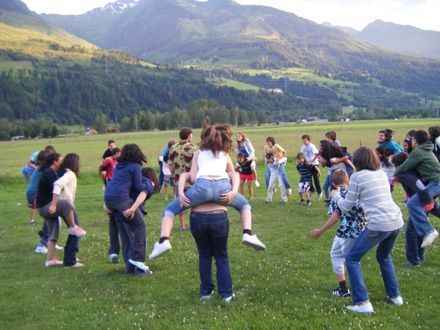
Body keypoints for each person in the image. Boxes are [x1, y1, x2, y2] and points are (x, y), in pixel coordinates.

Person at [149, 124, 266, 260]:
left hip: (202, 187)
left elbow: (189, 176)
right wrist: (233, 191)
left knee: (169, 211)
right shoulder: (224, 154)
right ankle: (247, 233)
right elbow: (234, 174)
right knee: (245, 206)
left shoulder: (198, 152)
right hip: (223, 188)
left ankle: (164, 240)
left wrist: (181, 193)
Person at [332, 147, 404, 314]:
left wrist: (336, 195)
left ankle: (362, 303)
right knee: (384, 257)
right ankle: (395, 297)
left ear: (357, 162)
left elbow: (346, 207)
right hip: (396, 221)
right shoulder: (381, 173)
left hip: (378, 224)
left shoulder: (357, 177)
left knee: (351, 259)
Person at [310, 169, 367, 298]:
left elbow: (335, 216)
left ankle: (345, 290)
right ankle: (352, 287)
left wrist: (320, 231)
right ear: (348, 180)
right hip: (362, 231)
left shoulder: (336, 194)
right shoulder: (355, 191)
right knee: (351, 258)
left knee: (339, 257)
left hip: (346, 232)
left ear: (333, 183)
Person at [104, 144, 152, 276]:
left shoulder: (118, 165)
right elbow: (137, 186)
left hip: (108, 198)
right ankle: (139, 259)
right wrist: (148, 185)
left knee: (120, 228)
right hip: (121, 199)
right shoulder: (135, 167)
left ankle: (126, 264)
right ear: (137, 154)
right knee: (140, 225)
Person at [37, 153, 85, 267]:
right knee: (75, 227)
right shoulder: (56, 173)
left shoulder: (55, 173)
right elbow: (57, 185)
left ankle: (50, 260)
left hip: (45, 208)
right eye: (60, 160)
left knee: (53, 234)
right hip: (48, 207)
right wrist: (54, 205)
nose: (62, 163)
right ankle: (70, 259)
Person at [394, 130, 440, 249]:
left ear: (416, 141)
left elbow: (404, 166)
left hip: (436, 182)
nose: (411, 141)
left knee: (413, 203)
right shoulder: (426, 149)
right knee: (431, 205)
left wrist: (395, 174)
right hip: (435, 181)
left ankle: (429, 231)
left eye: (412, 139)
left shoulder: (418, 152)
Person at [189, 202, 235, 303]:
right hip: (218, 215)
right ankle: (226, 294)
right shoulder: (222, 186)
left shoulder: (194, 187)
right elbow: (242, 204)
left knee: (204, 255)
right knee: (221, 256)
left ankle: (206, 292)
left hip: (197, 216)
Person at [167, 127, 197, 231]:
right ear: (189, 136)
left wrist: (173, 175)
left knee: (180, 202)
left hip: (178, 180)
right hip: (191, 181)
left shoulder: (173, 147)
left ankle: (182, 225)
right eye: (192, 135)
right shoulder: (193, 148)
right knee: (195, 203)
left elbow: (170, 164)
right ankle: (194, 224)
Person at [300, 134, 322, 199]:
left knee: (315, 179)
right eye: (303, 141)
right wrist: (303, 162)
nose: (304, 142)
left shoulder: (312, 146)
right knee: (308, 178)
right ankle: (312, 190)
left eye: (305, 141)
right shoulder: (303, 147)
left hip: (314, 164)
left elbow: (316, 155)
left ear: (308, 140)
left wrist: (311, 161)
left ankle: (319, 192)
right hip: (307, 164)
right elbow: (302, 155)